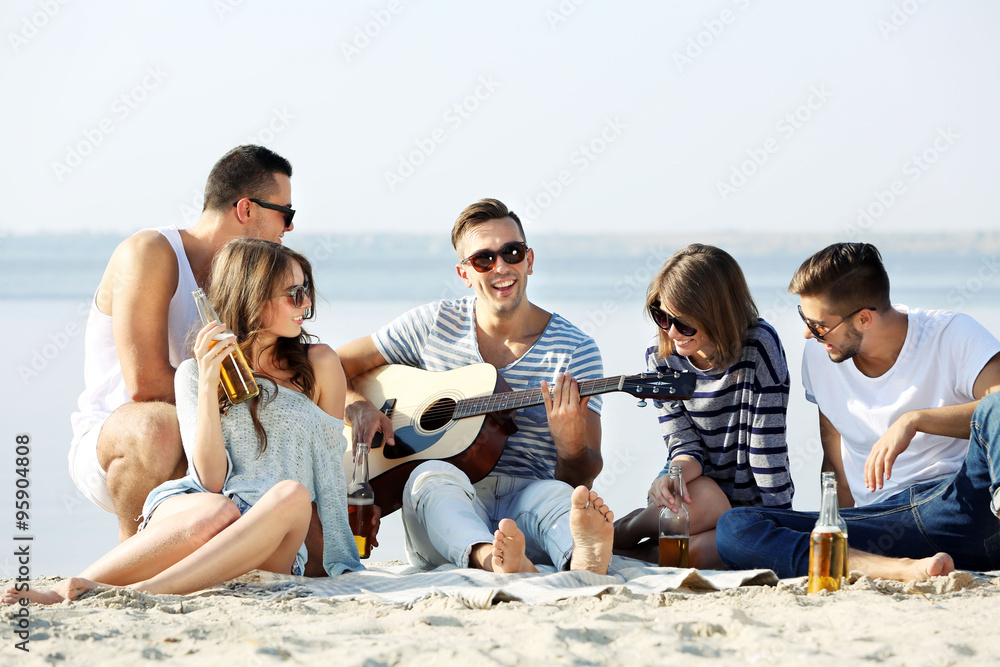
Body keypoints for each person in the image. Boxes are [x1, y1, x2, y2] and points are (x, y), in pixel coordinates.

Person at [6, 239, 362, 604]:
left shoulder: (318, 365)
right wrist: (208, 385)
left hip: (270, 529)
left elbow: (328, 470)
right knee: (218, 509)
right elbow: (209, 480)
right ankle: (62, 589)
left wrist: (340, 550)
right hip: (201, 507)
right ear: (253, 296)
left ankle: (133, 593)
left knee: (292, 494)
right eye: (294, 293)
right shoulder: (195, 372)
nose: (307, 304)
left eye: (307, 291)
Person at [337, 198, 615, 575]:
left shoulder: (575, 350)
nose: (501, 267)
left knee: (559, 496)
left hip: (527, 501)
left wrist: (570, 447)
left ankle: (581, 558)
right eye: (484, 259)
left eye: (512, 252)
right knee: (428, 478)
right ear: (464, 272)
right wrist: (356, 404)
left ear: (529, 260)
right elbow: (334, 365)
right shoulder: (433, 323)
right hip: (444, 514)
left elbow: (581, 474)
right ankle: (491, 557)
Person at [716, 242, 1000, 580]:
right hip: (886, 523)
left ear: (864, 318)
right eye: (804, 318)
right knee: (736, 527)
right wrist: (831, 523)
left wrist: (915, 420)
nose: (808, 333)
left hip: (962, 502)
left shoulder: (951, 334)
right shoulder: (820, 357)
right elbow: (834, 461)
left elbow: (994, 411)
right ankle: (896, 570)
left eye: (819, 325)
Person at [70, 145, 297, 541]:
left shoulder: (246, 278)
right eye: (286, 214)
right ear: (246, 209)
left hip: (207, 437)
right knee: (161, 426)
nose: (289, 228)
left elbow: (287, 364)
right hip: (125, 439)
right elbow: (146, 383)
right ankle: (131, 557)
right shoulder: (150, 252)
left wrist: (352, 401)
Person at [612, 244, 793, 568]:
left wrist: (780, 520)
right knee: (707, 498)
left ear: (718, 313)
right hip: (692, 488)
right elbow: (682, 443)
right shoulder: (660, 356)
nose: (671, 332)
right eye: (661, 315)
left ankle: (629, 553)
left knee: (695, 554)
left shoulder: (759, 347)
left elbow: (766, 449)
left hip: (747, 502)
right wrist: (673, 475)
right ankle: (626, 529)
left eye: (684, 323)